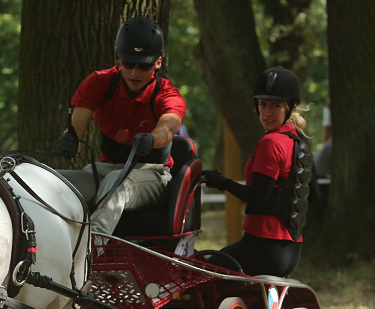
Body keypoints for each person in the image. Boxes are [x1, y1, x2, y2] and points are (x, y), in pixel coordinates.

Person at [56, 17, 186, 236]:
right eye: (128, 63)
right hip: (107, 169)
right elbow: (75, 130)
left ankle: (89, 249)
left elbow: (168, 128)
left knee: (117, 183)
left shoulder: (167, 94)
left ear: (158, 63)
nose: (135, 72)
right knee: (50, 182)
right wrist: (70, 140)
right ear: (119, 59)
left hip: (153, 174)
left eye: (144, 65)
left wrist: (152, 139)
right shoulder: (99, 83)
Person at [202, 67, 314, 277]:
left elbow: (258, 198)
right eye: (263, 104)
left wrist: (223, 182)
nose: (267, 113)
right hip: (292, 251)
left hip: (263, 248)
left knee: (204, 274)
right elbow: (313, 193)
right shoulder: (300, 143)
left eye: (276, 106)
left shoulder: (271, 143)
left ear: (291, 107)